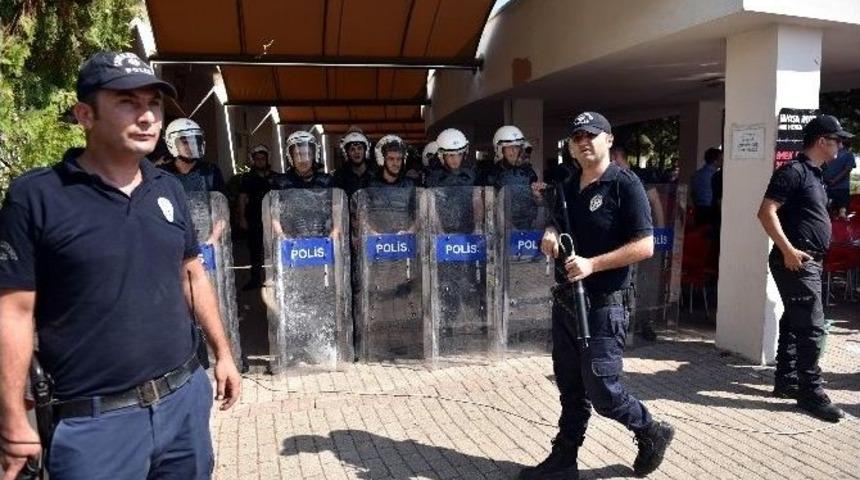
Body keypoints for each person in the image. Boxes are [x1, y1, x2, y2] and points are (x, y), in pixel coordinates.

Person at [0, 51, 241, 480]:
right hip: (95, 424)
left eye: (153, 103)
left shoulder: (168, 189)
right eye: (127, 102)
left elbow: (192, 274)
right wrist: (14, 416)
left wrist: (223, 354)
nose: (147, 116)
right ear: (85, 114)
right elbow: (13, 312)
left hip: (184, 402)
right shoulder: (36, 197)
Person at [523, 111, 674, 479]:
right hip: (567, 302)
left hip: (605, 305)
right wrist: (550, 231)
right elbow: (559, 220)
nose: (584, 141)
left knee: (603, 392)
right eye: (577, 137)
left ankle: (650, 429)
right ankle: (564, 459)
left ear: (608, 140)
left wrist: (593, 264)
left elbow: (645, 246)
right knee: (571, 388)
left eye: (592, 135)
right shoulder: (570, 184)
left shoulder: (625, 184)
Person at [757, 114, 852, 423]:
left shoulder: (816, 174)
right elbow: (765, 212)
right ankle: (811, 393)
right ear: (821, 141)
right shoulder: (793, 172)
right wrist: (788, 250)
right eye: (837, 139)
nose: (841, 145)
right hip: (796, 260)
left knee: (794, 320)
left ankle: (787, 380)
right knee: (811, 326)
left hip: (809, 259)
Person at [238, 144, 275, 290]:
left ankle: (274, 279)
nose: (260, 161)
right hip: (254, 218)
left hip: (273, 220)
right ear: (253, 160)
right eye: (257, 158)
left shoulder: (275, 177)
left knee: (273, 250)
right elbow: (242, 198)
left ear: (267, 159)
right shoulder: (247, 178)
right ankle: (255, 280)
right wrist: (242, 218)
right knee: (255, 251)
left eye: (263, 158)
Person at [160, 117, 226, 194]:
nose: (192, 146)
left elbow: (221, 202)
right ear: (171, 143)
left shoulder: (210, 171)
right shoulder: (162, 173)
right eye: (185, 142)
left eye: (195, 141)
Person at [332, 130, 374, 196]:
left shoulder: (375, 173)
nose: (356, 152)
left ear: (365, 151)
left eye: (359, 148)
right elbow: (336, 201)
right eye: (352, 149)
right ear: (347, 153)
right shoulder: (339, 176)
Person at [823, 141, 856, 218]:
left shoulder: (828, 153)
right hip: (841, 188)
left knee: (828, 213)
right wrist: (834, 181)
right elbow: (848, 169)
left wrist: (827, 180)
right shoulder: (848, 154)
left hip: (828, 187)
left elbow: (822, 167)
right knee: (842, 212)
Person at [691, 147, 723, 226]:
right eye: (721, 159)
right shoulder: (716, 176)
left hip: (699, 208)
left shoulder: (697, 174)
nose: (723, 161)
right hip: (711, 209)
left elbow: (693, 192)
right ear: (715, 161)